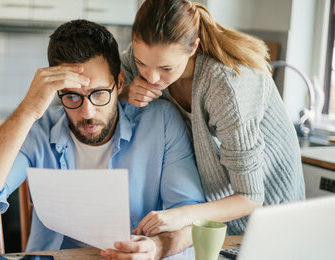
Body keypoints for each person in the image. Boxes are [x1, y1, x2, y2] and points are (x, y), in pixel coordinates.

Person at [0, 19, 205, 260]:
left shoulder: (160, 122)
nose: (87, 112)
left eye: (99, 93)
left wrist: (158, 247)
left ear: (119, 82)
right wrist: (28, 109)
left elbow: (191, 216)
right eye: (72, 95)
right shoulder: (39, 129)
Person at [120, 0, 305, 237]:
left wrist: (183, 214)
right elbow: (108, 84)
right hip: (219, 212)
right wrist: (126, 92)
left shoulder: (226, 86)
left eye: (166, 68)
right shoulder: (149, 58)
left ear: (193, 47)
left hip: (272, 210)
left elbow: (250, 196)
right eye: (141, 63)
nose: (152, 77)